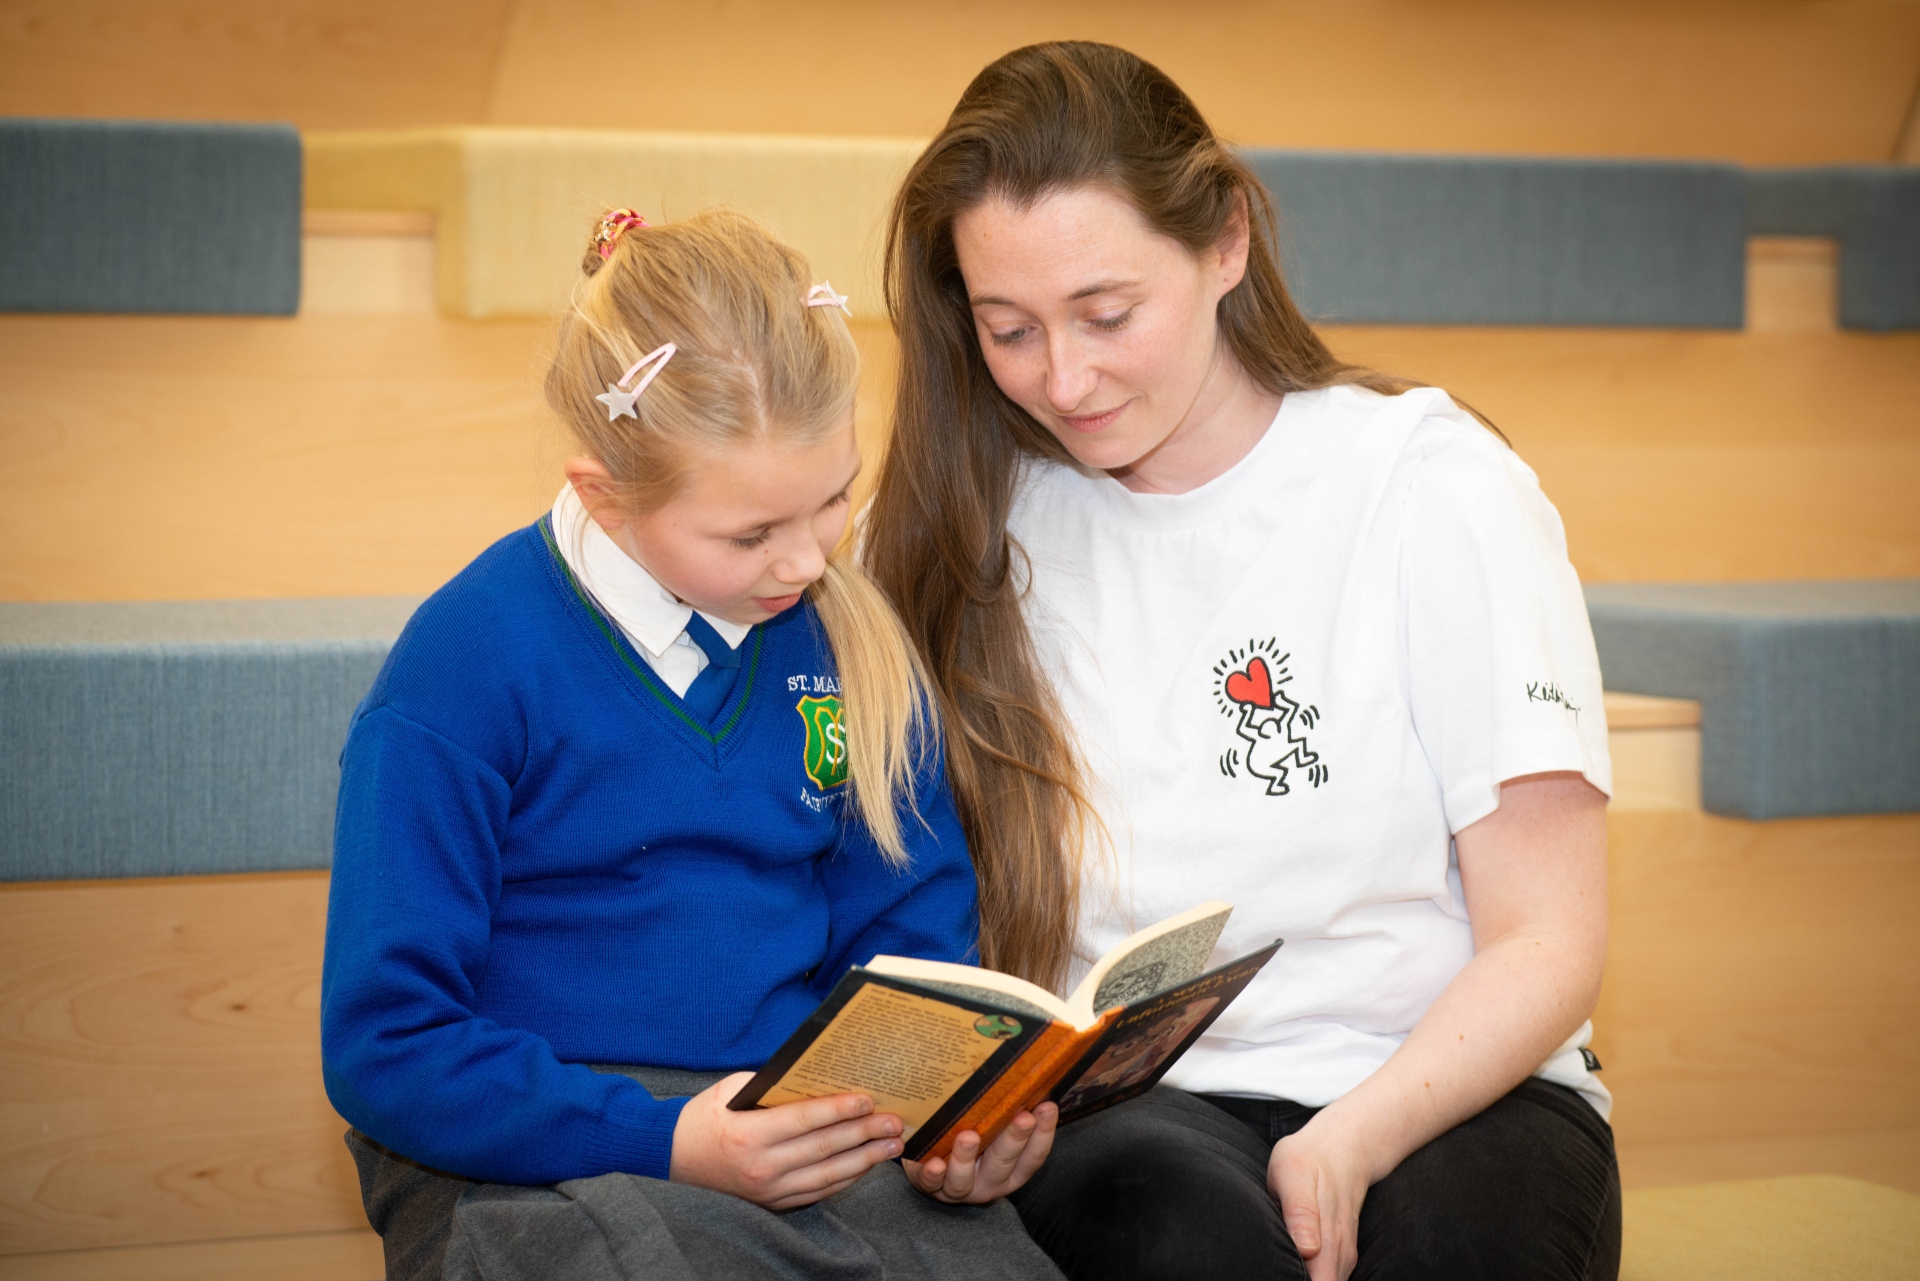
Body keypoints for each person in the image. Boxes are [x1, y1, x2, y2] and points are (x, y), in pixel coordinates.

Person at [864, 42, 1620, 1281]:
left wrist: (1355, 1138)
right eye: (1009, 330)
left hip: (1440, 1079)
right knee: (1178, 1241)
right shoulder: (964, 527)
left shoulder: (1431, 485)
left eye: (1108, 316)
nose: (1065, 378)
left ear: (1225, 241)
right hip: (1128, 1112)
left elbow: (1547, 938)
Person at [322, 209, 1060, 1281]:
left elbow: (910, 950)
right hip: (529, 1151)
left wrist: (952, 1123)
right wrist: (669, 1141)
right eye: (752, 534)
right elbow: (390, 1044)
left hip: (788, 1124)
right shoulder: (468, 664)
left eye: (834, 499)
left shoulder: (848, 647)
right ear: (604, 493)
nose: (807, 558)